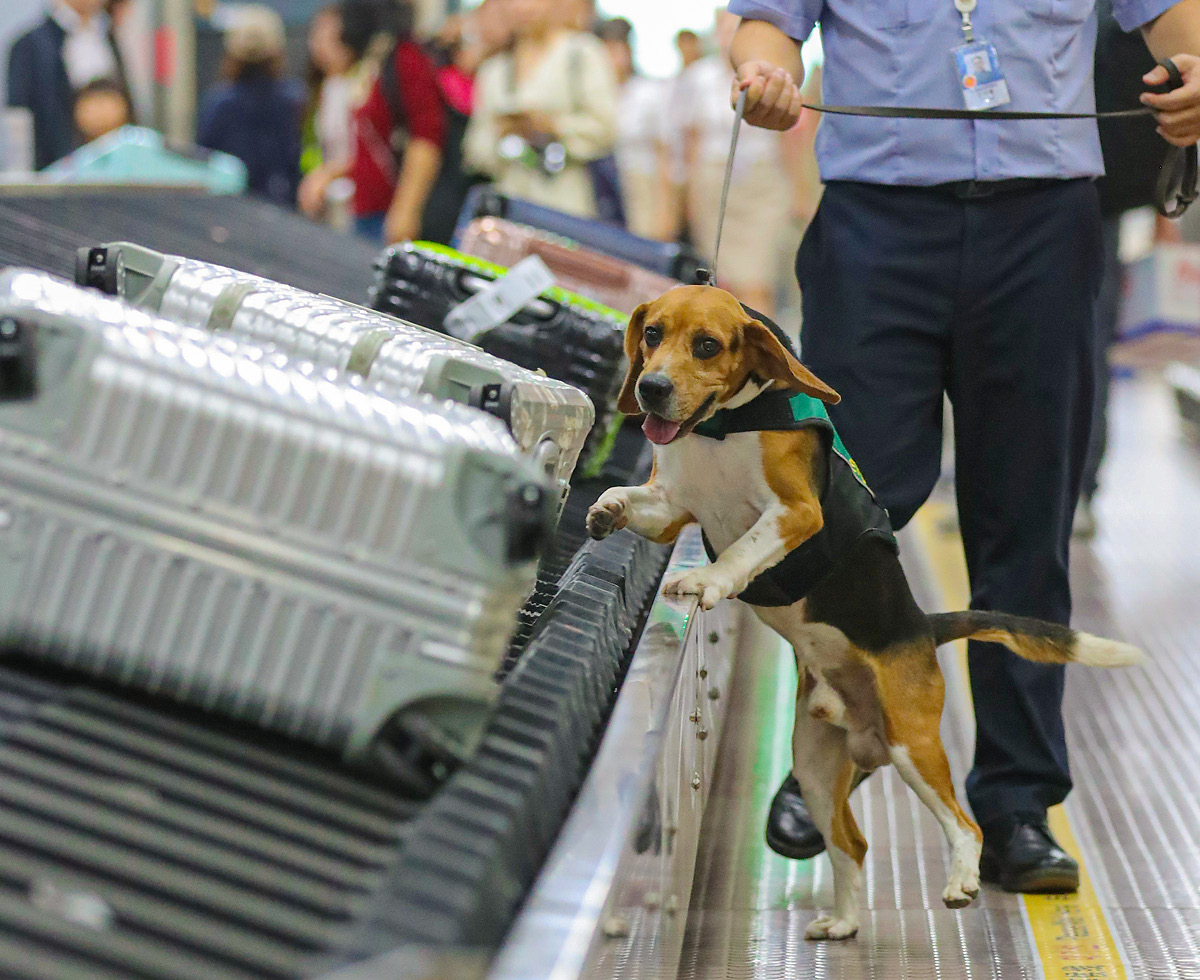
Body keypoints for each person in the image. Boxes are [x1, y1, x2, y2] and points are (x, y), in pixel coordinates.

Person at [727, 0, 1200, 892]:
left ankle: (1019, 806)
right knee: (849, 512)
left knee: (1026, 519)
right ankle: (823, 762)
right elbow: (765, 26)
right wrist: (764, 76)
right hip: (876, 229)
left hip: (1046, 228)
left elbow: (1176, 25)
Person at [1078, 0, 1177, 537]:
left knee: (1084, 344)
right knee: (1084, 342)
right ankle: (1079, 490)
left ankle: (1080, 485)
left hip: (1093, 195)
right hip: (1103, 191)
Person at [463, 0, 618, 220]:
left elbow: (607, 128)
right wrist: (505, 132)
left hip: (565, 203)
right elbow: (476, 147)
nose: (523, 8)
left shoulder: (581, 54)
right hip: (508, 204)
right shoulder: (494, 70)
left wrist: (552, 126)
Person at [680, 10, 791, 316]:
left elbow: (786, 139)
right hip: (715, 183)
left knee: (758, 280)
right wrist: (689, 196)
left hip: (762, 182)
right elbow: (691, 142)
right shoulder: (699, 79)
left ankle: (764, 354)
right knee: (725, 280)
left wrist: (798, 190)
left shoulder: (773, 76)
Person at [348, 0, 446, 244]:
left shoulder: (408, 57)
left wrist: (406, 210)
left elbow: (427, 136)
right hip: (366, 209)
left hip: (386, 214)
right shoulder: (381, 56)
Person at [196, 5, 304, 207]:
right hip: (281, 212)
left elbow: (204, 163)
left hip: (230, 210)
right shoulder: (292, 101)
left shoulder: (218, 104)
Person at [6, 0, 132, 169]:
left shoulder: (108, 36)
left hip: (113, 171)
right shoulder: (29, 46)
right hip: (54, 175)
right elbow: (20, 122)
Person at [298, 1, 389, 221]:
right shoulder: (323, 87)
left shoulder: (363, 84)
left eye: (331, 37)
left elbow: (362, 151)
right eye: (317, 35)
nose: (321, 45)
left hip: (361, 202)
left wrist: (326, 174)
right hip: (330, 200)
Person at [598, 17, 665, 239]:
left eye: (616, 51)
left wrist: (666, 210)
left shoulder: (648, 94)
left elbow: (665, 153)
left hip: (641, 183)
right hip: (602, 186)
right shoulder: (596, 96)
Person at [72, 76, 132, 143]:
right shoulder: (80, 152)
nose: (100, 115)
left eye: (103, 104)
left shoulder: (140, 143)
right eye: (91, 108)